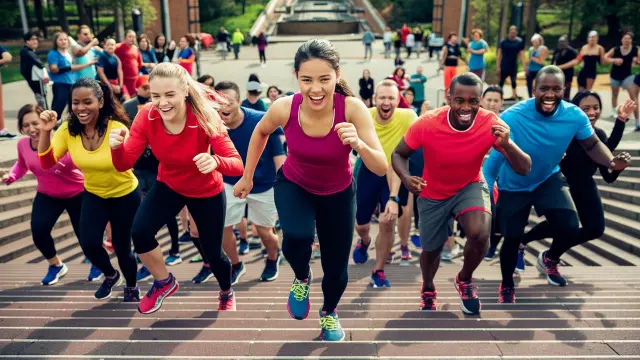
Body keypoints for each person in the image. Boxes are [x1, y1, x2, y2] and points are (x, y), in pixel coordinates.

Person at [232, 39, 387, 341]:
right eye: (307, 80)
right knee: (297, 238)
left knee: (337, 270)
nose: (315, 89)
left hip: (338, 193)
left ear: (337, 76)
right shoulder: (284, 107)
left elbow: (381, 166)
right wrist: (246, 176)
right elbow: (261, 131)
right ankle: (302, 277)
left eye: (324, 79)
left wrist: (358, 144)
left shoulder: (352, 109)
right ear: (296, 78)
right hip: (295, 185)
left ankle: (329, 313)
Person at [482, 66, 631, 304]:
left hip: (547, 179)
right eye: (544, 88)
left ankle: (548, 257)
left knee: (570, 226)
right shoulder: (512, 117)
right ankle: (507, 284)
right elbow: (491, 167)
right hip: (514, 185)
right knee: (511, 237)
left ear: (564, 90)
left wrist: (612, 163)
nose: (550, 94)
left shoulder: (574, 115)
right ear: (533, 89)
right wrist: (485, 200)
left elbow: (592, 145)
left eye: (556, 89)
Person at [108, 63, 244, 314]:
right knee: (139, 232)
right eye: (156, 96)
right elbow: (124, 164)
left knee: (213, 253)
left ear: (184, 92)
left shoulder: (204, 116)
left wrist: (215, 161)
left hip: (205, 190)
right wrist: (116, 148)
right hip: (169, 184)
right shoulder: (147, 116)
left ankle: (226, 291)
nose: (162, 103)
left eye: (169, 95)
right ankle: (163, 282)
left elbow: (237, 166)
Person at [392, 72, 532, 315]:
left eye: (473, 101)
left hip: (469, 185)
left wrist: (508, 145)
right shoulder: (427, 123)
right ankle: (428, 287)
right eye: (459, 100)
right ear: (449, 99)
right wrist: (406, 178)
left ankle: (465, 280)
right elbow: (398, 154)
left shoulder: (492, 124)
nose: (466, 107)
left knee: (480, 232)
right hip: (432, 191)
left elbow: (524, 168)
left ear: (480, 100)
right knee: (432, 250)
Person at [38, 78, 140, 301]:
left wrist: (118, 147)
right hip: (94, 193)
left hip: (124, 194)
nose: (80, 108)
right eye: (75, 103)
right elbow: (47, 162)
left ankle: (131, 287)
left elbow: (128, 164)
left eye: (87, 102)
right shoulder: (67, 130)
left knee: (123, 249)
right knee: (89, 243)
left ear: (101, 102)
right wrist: (47, 131)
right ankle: (111, 275)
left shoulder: (117, 128)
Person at [520, 92, 635, 266]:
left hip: (585, 187)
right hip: (562, 188)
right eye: (586, 108)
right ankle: (523, 243)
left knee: (595, 229)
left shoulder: (599, 136)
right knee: (563, 226)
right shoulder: (564, 134)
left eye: (596, 108)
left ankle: (551, 255)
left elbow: (608, 175)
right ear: (575, 110)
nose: (592, 112)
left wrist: (619, 167)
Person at [2, 104, 85, 284]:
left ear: (45, 121)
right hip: (48, 195)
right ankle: (56, 265)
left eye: (35, 123)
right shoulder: (23, 144)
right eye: (26, 126)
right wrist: (12, 176)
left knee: (84, 234)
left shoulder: (61, 141)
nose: (31, 129)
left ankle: (96, 263)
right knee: (39, 231)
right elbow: (22, 164)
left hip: (77, 193)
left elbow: (81, 163)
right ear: (21, 128)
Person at [214, 80, 285, 284]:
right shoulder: (212, 124)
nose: (224, 107)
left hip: (263, 184)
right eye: (219, 103)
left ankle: (273, 258)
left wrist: (287, 188)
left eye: (229, 102)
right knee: (222, 227)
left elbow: (280, 158)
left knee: (264, 232)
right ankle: (236, 264)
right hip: (230, 182)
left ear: (240, 101)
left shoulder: (261, 120)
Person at [352, 79, 417, 288]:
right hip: (368, 171)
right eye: (382, 97)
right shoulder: (364, 115)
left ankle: (378, 270)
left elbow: (411, 153)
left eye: (391, 98)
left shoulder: (408, 117)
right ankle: (364, 241)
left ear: (398, 101)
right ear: (375, 99)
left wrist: (393, 197)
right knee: (361, 224)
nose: (386, 102)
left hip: (395, 172)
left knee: (387, 221)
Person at [121, 75, 182, 271]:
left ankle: (175, 249)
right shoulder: (129, 106)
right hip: (138, 167)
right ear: (138, 88)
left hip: (158, 166)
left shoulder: (161, 105)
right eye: (146, 87)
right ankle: (146, 253)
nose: (149, 91)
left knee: (168, 212)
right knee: (140, 212)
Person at [47, 32, 96, 121]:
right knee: (59, 105)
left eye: (65, 39)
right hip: (61, 83)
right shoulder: (53, 53)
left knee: (73, 106)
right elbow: (54, 69)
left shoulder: (68, 53)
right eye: (60, 40)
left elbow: (74, 67)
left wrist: (87, 64)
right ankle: (52, 123)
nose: (63, 41)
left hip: (72, 82)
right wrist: (68, 68)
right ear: (56, 41)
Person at [605, 32, 640, 129]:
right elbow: (605, 57)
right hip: (615, 76)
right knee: (615, 94)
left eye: (629, 38)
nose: (627, 40)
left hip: (627, 77)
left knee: (633, 97)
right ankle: (613, 110)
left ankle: (637, 121)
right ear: (622, 40)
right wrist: (614, 60)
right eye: (625, 38)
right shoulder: (616, 49)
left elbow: (639, 59)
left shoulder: (635, 49)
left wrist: (637, 61)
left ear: (631, 41)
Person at [20, 32, 50, 109]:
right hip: (34, 79)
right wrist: (44, 67)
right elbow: (39, 63)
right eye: (33, 39)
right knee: (41, 96)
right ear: (27, 41)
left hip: (33, 77)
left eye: (36, 39)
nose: (35, 41)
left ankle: (43, 111)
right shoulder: (27, 51)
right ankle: (43, 112)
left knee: (41, 95)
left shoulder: (28, 51)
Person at [497, 26, 526, 100]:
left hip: (513, 64)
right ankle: (499, 95)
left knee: (513, 80)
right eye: (511, 32)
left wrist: (524, 67)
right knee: (501, 81)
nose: (512, 33)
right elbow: (499, 55)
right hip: (504, 64)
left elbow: (522, 55)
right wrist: (498, 66)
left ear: (516, 32)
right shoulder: (503, 42)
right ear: (509, 32)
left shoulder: (519, 42)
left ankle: (513, 95)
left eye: (514, 32)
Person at [115, 30, 143, 97]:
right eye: (130, 37)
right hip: (124, 80)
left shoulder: (136, 49)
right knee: (127, 100)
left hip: (135, 80)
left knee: (134, 100)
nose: (132, 39)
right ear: (125, 38)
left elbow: (140, 64)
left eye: (134, 37)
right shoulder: (118, 47)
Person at [551, 36, 578, 100]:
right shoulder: (557, 50)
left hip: (568, 74)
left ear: (567, 42)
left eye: (563, 42)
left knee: (566, 91)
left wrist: (561, 67)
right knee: (557, 89)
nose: (561, 43)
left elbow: (575, 61)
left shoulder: (572, 51)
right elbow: (553, 60)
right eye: (560, 42)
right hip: (558, 74)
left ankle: (566, 102)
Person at [526, 34, 548, 98]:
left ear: (540, 41)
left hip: (539, 70)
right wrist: (527, 68)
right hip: (530, 69)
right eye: (533, 41)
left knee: (538, 85)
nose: (534, 43)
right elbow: (528, 60)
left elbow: (541, 61)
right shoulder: (531, 49)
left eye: (536, 41)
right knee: (529, 84)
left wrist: (532, 58)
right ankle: (530, 97)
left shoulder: (543, 48)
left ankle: (539, 97)